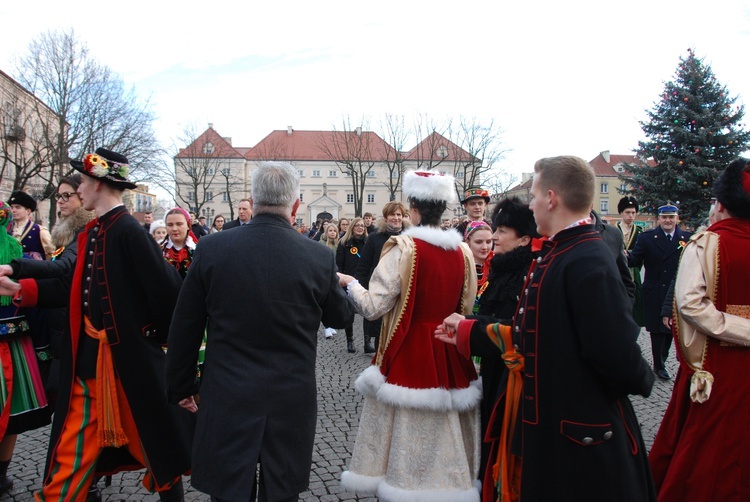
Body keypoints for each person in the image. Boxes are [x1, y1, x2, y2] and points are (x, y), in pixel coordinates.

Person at [440, 156, 656, 501]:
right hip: (553, 429)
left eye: (535, 196)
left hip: (580, 430)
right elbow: (533, 331)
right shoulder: (561, 252)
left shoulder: (586, 257)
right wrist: (472, 330)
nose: (532, 204)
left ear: (551, 198)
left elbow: (616, 355)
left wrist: (642, 380)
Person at [0, 148, 192, 501]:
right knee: (70, 451)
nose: (80, 188)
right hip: (88, 364)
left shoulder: (129, 232)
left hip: (129, 367)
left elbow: (169, 293)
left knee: (156, 446)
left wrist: (153, 339)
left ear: (100, 184)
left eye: (84, 181)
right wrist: (20, 286)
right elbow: (67, 284)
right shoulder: (92, 231)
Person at [165, 161, 351, 502]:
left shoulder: (213, 249)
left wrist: (180, 386)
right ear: (295, 205)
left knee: (228, 491)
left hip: (227, 391)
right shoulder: (318, 257)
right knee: (280, 492)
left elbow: (185, 325)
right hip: (290, 394)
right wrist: (343, 286)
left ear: (252, 198)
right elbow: (339, 318)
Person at [339, 170, 480, 500]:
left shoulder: (403, 248)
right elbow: (467, 305)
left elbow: (374, 306)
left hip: (408, 352)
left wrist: (350, 284)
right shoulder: (464, 253)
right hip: (449, 350)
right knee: (448, 433)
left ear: (414, 209)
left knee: (406, 435)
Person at [649, 158, 750, 501]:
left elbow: (690, 305)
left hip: (715, 364)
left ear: (720, 204)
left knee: (706, 446)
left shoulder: (706, 243)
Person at [436, 197, 539, 502]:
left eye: (502, 231)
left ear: (523, 238)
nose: (494, 238)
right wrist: (469, 323)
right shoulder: (503, 267)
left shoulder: (526, 272)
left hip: (513, 376)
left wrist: (471, 327)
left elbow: (514, 326)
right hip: (495, 367)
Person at [0, 201, 52, 495]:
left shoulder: (29, 240)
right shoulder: (14, 249)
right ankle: (1, 474)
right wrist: (43, 347)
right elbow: (32, 302)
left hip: (12, 336)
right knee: (13, 408)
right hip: (14, 338)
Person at [627, 203, 693, 380]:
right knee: (657, 331)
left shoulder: (687, 238)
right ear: (658, 219)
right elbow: (634, 260)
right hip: (654, 290)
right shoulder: (647, 238)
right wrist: (623, 255)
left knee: (671, 329)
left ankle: (663, 357)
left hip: (675, 292)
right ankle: (659, 365)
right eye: (664, 217)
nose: (668, 221)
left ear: (677, 218)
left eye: (671, 217)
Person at [355, 201, 409, 353]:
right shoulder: (374, 238)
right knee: (381, 333)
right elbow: (364, 266)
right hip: (380, 289)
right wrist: (362, 288)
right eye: (392, 214)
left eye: (399, 214)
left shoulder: (410, 237)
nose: (396, 218)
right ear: (386, 217)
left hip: (402, 291)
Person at [336, 217, 367, 353]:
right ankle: (350, 340)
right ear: (352, 227)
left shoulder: (368, 243)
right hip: (348, 281)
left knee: (368, 312)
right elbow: (339, 264)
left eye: (362, 226)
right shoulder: (344, 243)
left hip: (364, 282)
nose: (360, 228)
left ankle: (367, 341)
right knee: (349, 313)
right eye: (357, 226)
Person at [618, 196, 645, 325]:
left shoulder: (639, 232)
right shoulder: (613, 231)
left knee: (635, 307)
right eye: (627, 212)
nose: (631, 216)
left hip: (634, 274)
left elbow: (642, 255)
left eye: (633, 213)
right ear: (621, 213)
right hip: (617, 273)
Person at [8, 190, 54, 260]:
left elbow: (51, 254)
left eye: (17, 207)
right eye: (12, 207)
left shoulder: (40, 231)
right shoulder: (6, 229)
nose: (13, 210)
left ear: (28, 211)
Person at [464, 220, 494, 313]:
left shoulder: (497, 265)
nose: (484, 247)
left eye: (488, 241)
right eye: (479, 242)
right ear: (468, 242)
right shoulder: (462, 266)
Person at [162, 208, 197, 279]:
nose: (174, 229)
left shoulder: (198, 250)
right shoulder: (159, 251)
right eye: (170, 225)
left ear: (188, 226)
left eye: (179, 224)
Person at [319, 223, 340, 339]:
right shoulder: (321, 244)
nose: (332, 232)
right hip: (325, 275)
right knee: (325, 302)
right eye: (330, 230)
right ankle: (327, 326)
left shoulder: (339, 244)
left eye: (334, 231)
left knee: (334, 302)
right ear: (326, 232)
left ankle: (331, 324)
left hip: (336, 275)